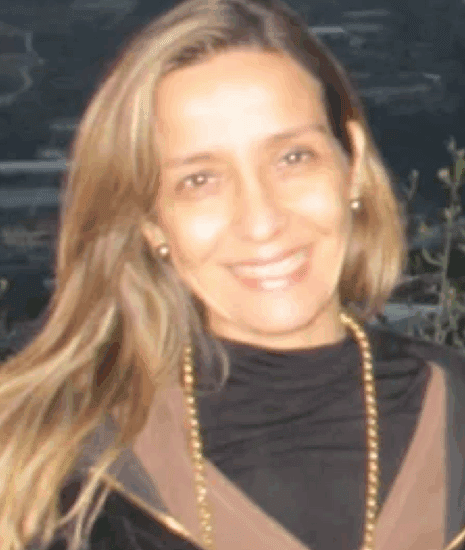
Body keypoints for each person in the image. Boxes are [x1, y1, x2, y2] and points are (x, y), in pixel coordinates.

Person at [1, 0, 465, 549]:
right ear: (150, 220)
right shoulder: (45, 469)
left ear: (353, 165)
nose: (262, 221)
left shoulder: (454, 412)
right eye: (200, 180)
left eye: (293, 157)